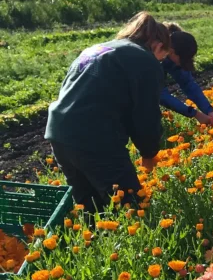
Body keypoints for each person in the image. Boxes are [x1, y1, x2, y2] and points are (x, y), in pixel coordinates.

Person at [45, 11, 171, 213]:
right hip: (95, 138)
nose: (159, 62)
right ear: (157, 46)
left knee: (89, 206)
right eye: (162, 57)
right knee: (131, 206)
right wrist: (149, 152)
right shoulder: (145, 59)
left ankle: (93, 240)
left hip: (59, 132)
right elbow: (145, 115)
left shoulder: (98, 49)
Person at [160, 23, 213, 124]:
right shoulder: (154, 56)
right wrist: (194, 113)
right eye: (181, 60)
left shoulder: (173, 54)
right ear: (171, 51)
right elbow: (159, 93)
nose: (180, 63)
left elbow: (188, 83)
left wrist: (209, 111)